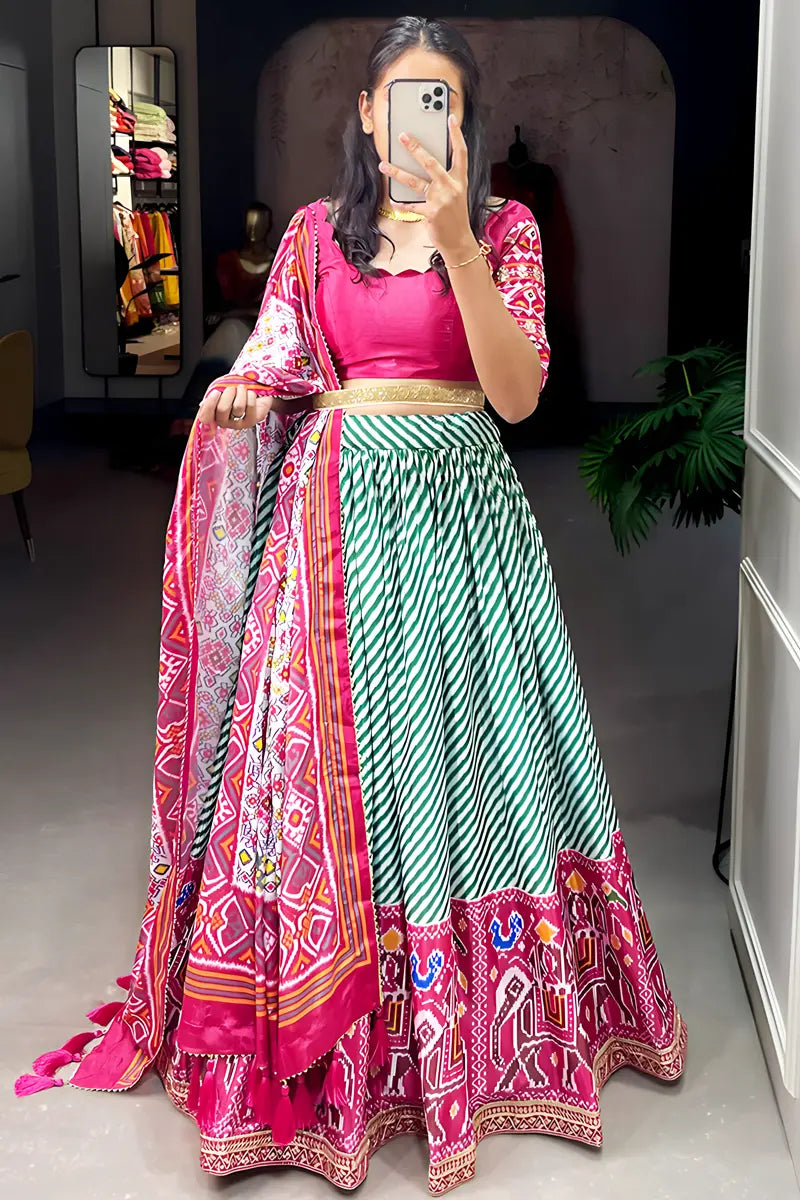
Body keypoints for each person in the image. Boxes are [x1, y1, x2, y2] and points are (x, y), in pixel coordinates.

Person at [16, 15, 686, 1193]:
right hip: (330, 536)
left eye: (445, 101)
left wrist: (456, 244)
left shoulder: (504, 231)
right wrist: (239, 395)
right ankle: (336, 1020)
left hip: (463, 533)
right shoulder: (315, 235)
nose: (422, 121)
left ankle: (470, 1025)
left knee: (459, 760)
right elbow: (277, 357)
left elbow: (518, 395)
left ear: (463, 120)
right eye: (402, 100)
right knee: (329, 769)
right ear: (367, 115)